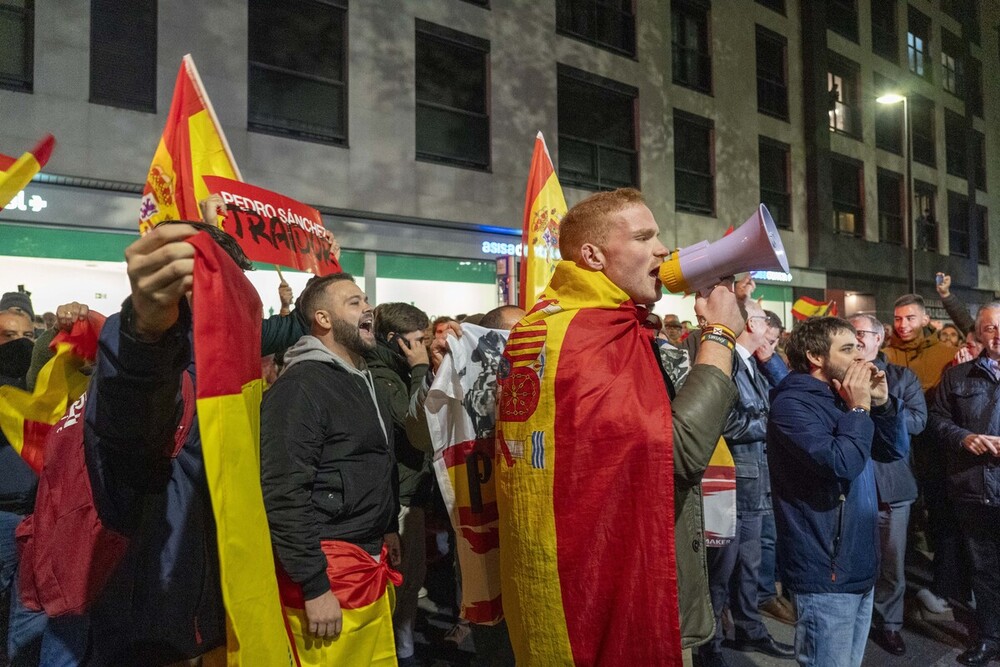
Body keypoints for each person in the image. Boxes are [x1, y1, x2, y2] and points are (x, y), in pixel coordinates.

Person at [495, 188, 743, 665]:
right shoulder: (588, 336)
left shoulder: (564, 326)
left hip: (579, 570)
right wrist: (720, 337)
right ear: (591, 254)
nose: (662, 250)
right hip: (611, 584)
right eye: (644, 237)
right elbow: (682, 451)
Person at [260, 273, 402, 666]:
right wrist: (314, 586)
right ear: (323, 319)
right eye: (354, 302)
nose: (368, 307)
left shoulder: (364, 379)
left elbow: (372, 458)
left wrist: (387, 527)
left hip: (367, 562)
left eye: (366, 299)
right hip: (330, 574)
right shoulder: (300, 387)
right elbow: (283, 491)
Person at [767, 317, 907, 667]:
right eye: (848, 349)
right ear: (815, 357)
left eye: (859, 347)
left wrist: (884, 405)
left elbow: (892, 451)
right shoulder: (792, 405)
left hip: (857, 561)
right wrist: (859, 409)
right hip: (824, 568)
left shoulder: (842, 395)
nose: (860, 357)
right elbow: (840, 462)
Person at [699, 299, 793, 666]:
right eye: (764, 320)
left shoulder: (752, 362)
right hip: (733, 480)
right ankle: (711, 645)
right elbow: (724, 421)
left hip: (754, 479)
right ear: (749, 324)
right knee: (723, 569)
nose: (772, 329)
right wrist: (770, 425)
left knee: (750, 566)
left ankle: (750, 630)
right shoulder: (729, 361)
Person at [884, 293, 968, 615]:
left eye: (909, 318)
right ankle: (897, 581)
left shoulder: (946, 354)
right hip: (895, 449)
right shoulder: (884, 354)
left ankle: (945, 582)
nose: (903, 325)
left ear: (923, 319)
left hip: (933, 449)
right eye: (897, 318)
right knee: (896, 518)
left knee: (940, 514)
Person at [849, 314, 926, 656]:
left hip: (891, 484)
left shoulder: (901, 377)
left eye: (861, 333)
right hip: (851, 482)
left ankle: (890, 624)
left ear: (878, 339)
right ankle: (854, 621)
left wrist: (881, 412)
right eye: (849, 333)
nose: (855, 338)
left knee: (892, 562)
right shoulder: (837, 376)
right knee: (852, 557)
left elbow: (919, 420)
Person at [929, 302, 1000, 667]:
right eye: (989, 328)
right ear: (978, 334)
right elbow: (936, 419)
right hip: (975, 490)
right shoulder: (958, 377)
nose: (997, 335)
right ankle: (989, 638)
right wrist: (963, 437)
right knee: (984, 570)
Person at [365, 302, 433, 667]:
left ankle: (403, 650)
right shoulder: (383, 377)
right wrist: (422, 369)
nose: (422, 346)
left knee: (411, 583)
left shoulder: (397, 371)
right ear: (394, 341)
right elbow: (417, 429)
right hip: (399, 499)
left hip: (410, 493)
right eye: (417, 340)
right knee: (401, 586)